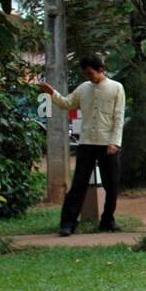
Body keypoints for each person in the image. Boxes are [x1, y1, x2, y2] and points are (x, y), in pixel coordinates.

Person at [37, 53, 125, 236]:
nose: (88, 77)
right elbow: (68, 103)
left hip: (108, 143)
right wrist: (52, 93)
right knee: (78, 184)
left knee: (112, 185)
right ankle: (68, 224)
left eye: (90, 73)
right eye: (86, 74)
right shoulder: (83, 88)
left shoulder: (116, 88)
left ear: (101, 70)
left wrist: (114, 142)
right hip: (87, 142)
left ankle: (108, 220)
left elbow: (118, 117)